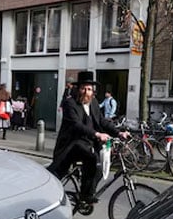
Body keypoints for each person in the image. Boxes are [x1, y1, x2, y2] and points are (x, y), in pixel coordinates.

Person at [47, 71, 129, 207]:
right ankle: (85, 195)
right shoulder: (70, 103)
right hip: (72, 144)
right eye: (83, 88)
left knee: (100, 165)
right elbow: (76, 125)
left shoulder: (94, 103)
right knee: (91, 160)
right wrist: (97, 134)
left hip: (88, 142)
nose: (86, 92)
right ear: (78, 89)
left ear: (93, 91)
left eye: (89, 89)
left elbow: (102, 121)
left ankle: (87, 192)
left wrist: (119, 133)